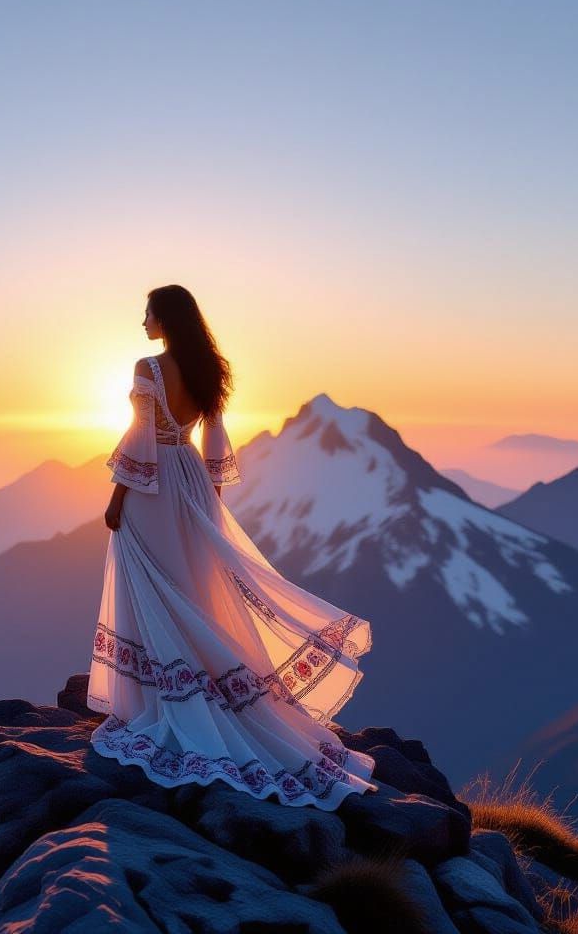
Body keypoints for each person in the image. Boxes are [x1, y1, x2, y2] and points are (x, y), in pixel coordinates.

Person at [88, 284, 379, 808]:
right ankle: (211, 686)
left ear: (165, 318)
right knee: (191, 587)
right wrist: (209, 502)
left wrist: (117, 496)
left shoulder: (147, 368)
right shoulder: (209, 369)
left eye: (148, 313)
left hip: (153, 486)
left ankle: (161, 697)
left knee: (154, 585)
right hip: (191, 479)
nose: (143, 322)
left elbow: (140, 438)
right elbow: (213, 438)